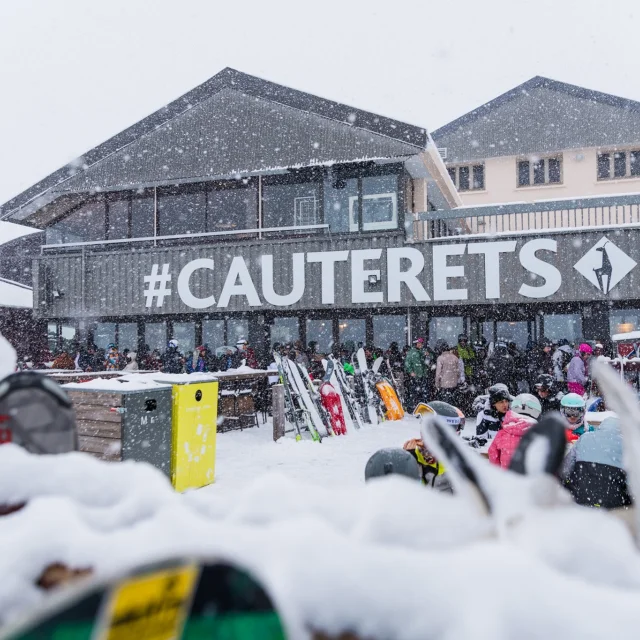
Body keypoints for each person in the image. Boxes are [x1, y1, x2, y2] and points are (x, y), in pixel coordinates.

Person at [562, 417, 632, 509]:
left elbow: (565, 469)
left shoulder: (585, 437)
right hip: (615, 502)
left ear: (600, 427)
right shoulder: (627, 446)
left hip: (580, 496)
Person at [488, 393, 541, 469]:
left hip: (508, 478)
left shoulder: (502, 433)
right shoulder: (541, 434)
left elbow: (493, 455)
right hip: (531, 479)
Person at [404, 337, 427, 411]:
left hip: (422, 375)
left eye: (421, 343)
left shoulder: (423, 351)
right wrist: (411, 372)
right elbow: (407, 363)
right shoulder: (411, 352)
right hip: (415, 376)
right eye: (419, 343)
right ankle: (412, 408)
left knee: (422, 393)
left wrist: (428, 355)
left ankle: (421, 408)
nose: (420, 345)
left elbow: (428, 360)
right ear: (416, 344)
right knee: (414, 393)